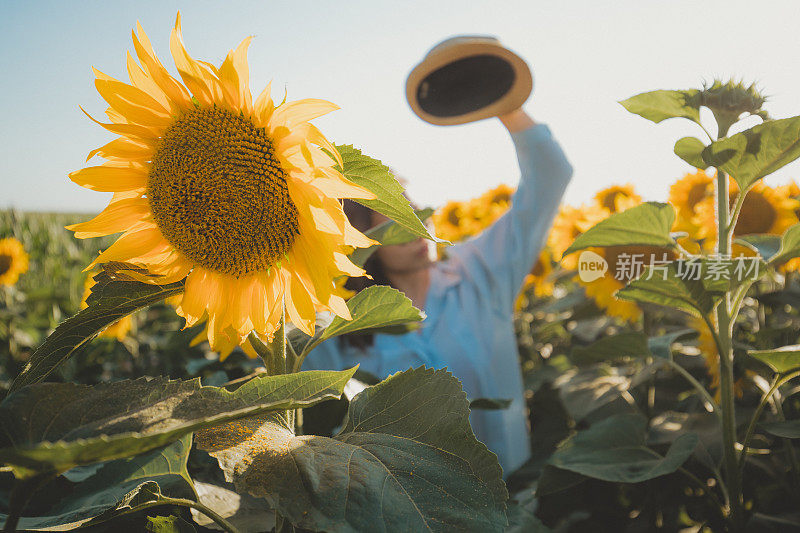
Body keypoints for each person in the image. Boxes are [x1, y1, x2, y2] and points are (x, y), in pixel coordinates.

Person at [304, 107, 573, 475]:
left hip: (511, 499)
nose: (414, 223)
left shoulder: (478, 273)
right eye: (392, 221)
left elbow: (550, 177)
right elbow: (320, 432)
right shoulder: (338, 325)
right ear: (358, 244)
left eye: (411, 207)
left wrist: (507, 106)